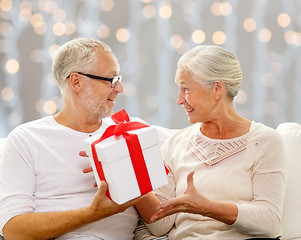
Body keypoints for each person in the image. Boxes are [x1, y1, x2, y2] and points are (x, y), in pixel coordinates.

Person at [0, 37, 173, 239]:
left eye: (119, 79)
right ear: (76, 82)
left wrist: (126, 172)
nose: (119, 89)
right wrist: (93, 213)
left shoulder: (125, 133)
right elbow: (13, 230)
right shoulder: (26, 139)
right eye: (111, 80)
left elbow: (159, 225)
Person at [145, 45, 287, 239]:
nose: (179, 100)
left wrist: (207, 208)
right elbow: (159, 225)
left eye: (186, 89)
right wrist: (130, 183)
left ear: (217, 89)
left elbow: (269, 221)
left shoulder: (264, 142)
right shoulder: (174, 145)